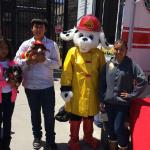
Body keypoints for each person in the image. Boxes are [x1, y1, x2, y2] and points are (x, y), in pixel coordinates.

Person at [15, 19, 60, 150]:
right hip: (30, 87)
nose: (39, 29)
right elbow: (16, 61)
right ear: (32, 29)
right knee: (35, 114)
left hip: (47, 87)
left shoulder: (52, 45)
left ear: (45, 29)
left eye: (41, 27)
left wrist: (45, 60)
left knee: (49, 115)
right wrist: (28, 61)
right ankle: (37, 137)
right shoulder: (25, 44)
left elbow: (58, 64)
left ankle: (50, 140)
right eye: (36, 27)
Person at [100, 39, 147, 150]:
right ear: (113, 50)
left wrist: (132, 95)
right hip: (108, 104)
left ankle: (123, 146)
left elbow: (143, 81)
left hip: (122, 104)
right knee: (110, 129)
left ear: (126, 50)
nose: (118, 51)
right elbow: (102, 83)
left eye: (121, 49)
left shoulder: (131, 64)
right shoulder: (108, 65)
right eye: (116, 49)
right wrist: (101, 99)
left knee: (118, 128)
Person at [0, 38, 20, 150]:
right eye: (1, 48)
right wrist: (6, 81)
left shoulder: (12, 63)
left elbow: (18, 78)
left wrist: (16, 83)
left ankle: (6, 144)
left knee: (7, 120)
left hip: (9, 97)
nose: (4, 50)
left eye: (6, 48)